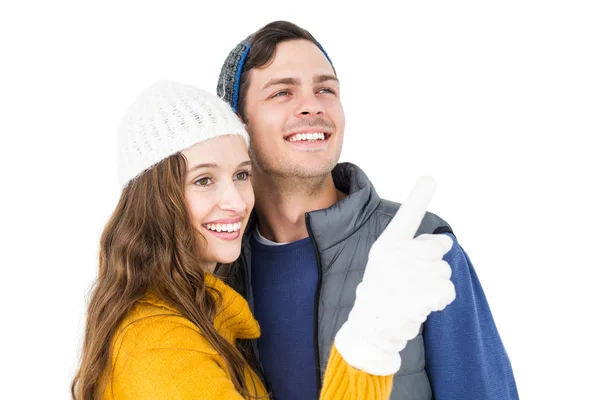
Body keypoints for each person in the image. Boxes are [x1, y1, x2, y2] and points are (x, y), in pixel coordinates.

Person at [71, 79, 456, 399]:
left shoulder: (204, 315)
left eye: (241, 175)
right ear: (153, 202)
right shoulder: (159, 343)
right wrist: (369, 343)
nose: (236, 201)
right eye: (204, 180)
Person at [216, 20, 520, 400]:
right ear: (236, 124)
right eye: (282, 92)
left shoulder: (421, 249)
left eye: (325, 89)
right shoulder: (218, 266)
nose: (312, 105)